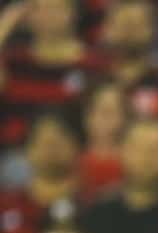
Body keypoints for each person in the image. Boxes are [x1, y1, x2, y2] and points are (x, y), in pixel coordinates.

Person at [0, 0, 105, 158]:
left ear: (73, 13)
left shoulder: (93, 64)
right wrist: (5, 25)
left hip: (74, 154)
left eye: (56, 8)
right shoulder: (13, 60)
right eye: (40, 9)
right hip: (16, 151)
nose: (48, 16)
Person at [0, 110, 82, 233]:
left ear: (76, 147)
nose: (51, 149)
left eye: (58, 142)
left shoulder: (92, 207)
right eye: (44, 143)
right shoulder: (6, 205)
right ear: (28, 151)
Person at [101, 0, 158, 120]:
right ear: (108, 30)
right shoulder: (94, 80)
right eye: (124, 25)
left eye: (137, 25)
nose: (129, 34)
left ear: (153, 30)